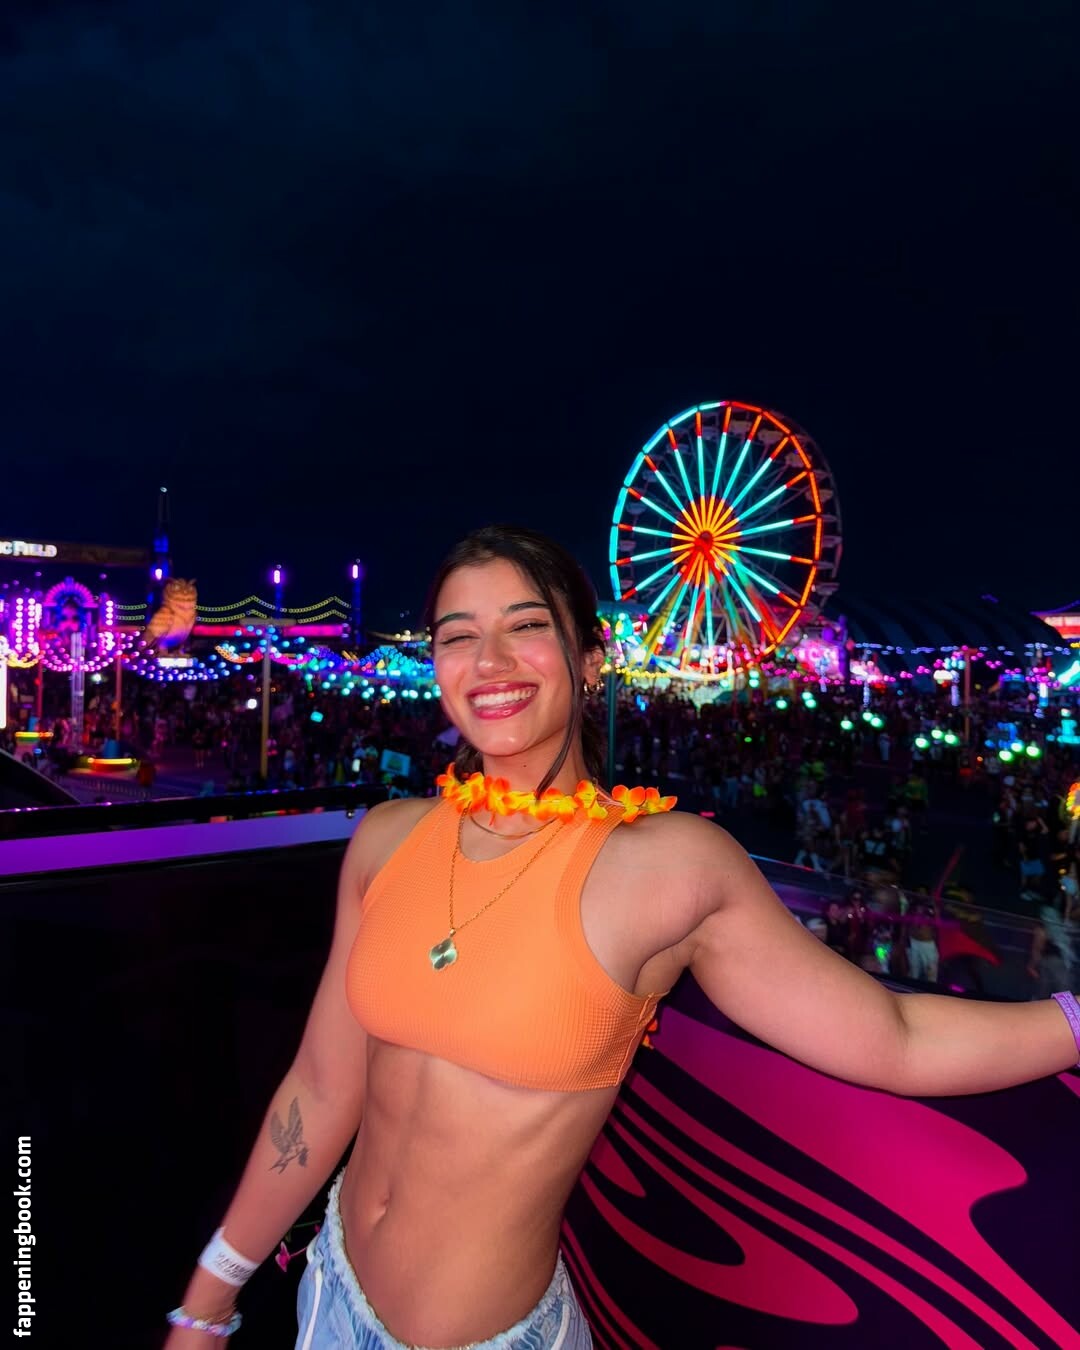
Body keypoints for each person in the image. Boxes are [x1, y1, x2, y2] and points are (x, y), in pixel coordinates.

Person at [164, 525, 1080, 1350]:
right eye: (456, 635)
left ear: (590, 659)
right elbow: (321, 1088)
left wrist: (1073, 1019)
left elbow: (895, 1036)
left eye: (526, 625)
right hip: (328, 1293)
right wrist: (210, 1298)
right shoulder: (386, 840)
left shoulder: (667, 868)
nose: (489, 660)